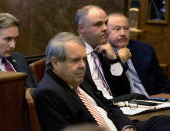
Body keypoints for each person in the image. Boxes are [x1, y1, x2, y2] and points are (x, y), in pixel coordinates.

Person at [34, 31, 170, 131]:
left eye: (83, 59)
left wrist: (126, 126)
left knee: (162, 122)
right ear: (55, 63)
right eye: (75, 60)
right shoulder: (48, 93)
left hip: (120, 127)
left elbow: (109, 105)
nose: (82, 65)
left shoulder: (79, 77)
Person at [76, 5, 133, 98]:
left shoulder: (104, 51)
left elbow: (124, 90)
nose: (105, 28)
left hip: (117, 106)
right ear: (82, 28)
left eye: (106, 23)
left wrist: (114, 60)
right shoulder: (72, 55)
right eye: (98, 24)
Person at [107, 13, 170, 96]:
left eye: (126, 29)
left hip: (153, 100)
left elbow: (161, 80)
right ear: (106, 32)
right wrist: (119, 60)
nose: (123, 33)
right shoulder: (103, 53)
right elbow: (113, 88)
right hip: (124, 104)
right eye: (117, 29)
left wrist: (163, 95)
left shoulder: (144, 49)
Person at [0, 12, 37, 88]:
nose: (13, 45)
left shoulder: (19, 58)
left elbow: (33, 89)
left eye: (15, 39)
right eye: (7, 39)